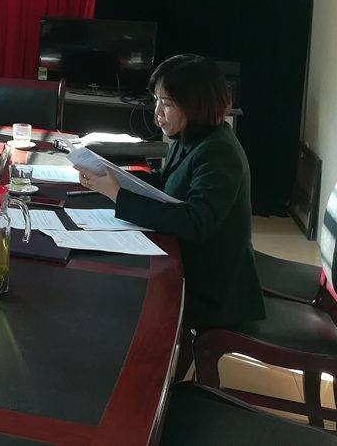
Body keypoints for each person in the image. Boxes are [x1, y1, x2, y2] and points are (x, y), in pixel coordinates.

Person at [77, 54, 265, 336]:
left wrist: (118, 195)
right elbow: (167, 184)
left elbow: (196, 222)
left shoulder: (218, 151)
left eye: (166, 104)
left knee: (113, 296)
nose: (157, 113)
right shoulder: (191, 137)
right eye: (156, 101)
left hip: (210, 289)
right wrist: (114, 178)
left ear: (195, 104)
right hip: (188, 264)